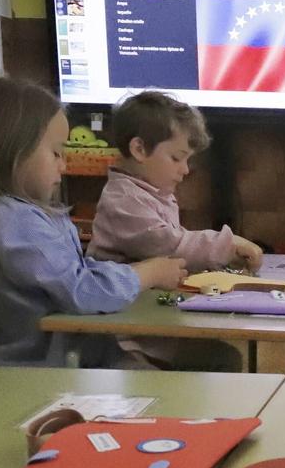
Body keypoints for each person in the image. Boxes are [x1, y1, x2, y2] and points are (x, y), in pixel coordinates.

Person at [0, 76, 183, 367]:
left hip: (78, 361)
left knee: (202, 359)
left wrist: (133, 273)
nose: (63, 164)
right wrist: (148, 274)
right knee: (199, 367)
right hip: (61, 371)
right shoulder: (17, 223)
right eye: (55, 153)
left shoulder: (14, 215)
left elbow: (75, 273)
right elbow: (82, 291)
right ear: (12, 152)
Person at [88, 90, 256, 371]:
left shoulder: (154, 193)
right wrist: (228, 244)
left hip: (154, 324)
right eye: (177, 158)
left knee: (224, 358)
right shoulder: (123, 200)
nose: (186, 169)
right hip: (123, 339)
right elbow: (169, 245)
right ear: (139, 149)